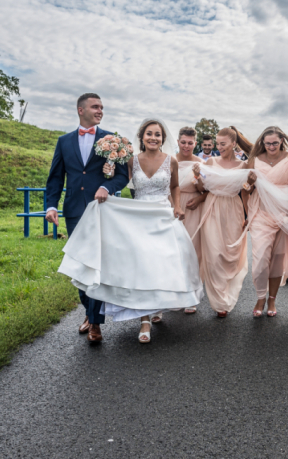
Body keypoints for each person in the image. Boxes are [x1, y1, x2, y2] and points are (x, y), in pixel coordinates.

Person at [58, 118, 203, 344]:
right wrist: (107, 175)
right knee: (142, 267)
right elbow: (120, 181)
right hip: (139, 218)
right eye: (149, 134)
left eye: (157, 134)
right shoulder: (132, 160)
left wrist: (177, 206)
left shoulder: (171, 160)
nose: (153, 138)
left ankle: (158, 305)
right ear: (142, 137)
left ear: (163, 138)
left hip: (163, 217)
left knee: (163, 264)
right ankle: (144, 320)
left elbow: (174, 186)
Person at [45, 93, 129, 343]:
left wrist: (107, 186)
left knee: (97, 264)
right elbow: (56, 177)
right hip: (73, 210)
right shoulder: (64, 141)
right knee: (80, 264)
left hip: (101, 209)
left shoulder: (112, 140)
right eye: (95, 107)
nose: (100, 110)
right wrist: (51, 206)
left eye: (102, 107)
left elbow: (122, 176)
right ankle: (88, 311)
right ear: (81, 110)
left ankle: (95, 322)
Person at [192, 126, 252, 317]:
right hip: (212, 207)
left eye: (223, 144)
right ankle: (219, 302)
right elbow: (202, 188)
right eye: (218, 144)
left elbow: (245, 192)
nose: (219, 147)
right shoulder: (210, 161)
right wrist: (197, 175)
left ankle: (226, 293)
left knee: (230, 254)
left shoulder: (244, 165)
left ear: (234, 144)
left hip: (233, 209)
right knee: (213, 254)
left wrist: (248, 215)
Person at [242, 126, 288, 317]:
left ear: (282, 140)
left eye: (275, 143)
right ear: (262, 143)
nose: (271, 146)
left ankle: (272, 300)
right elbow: (246, 189)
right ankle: (260, 297)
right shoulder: (254, 159)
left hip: (283, 215)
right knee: (259, 260)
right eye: (268, 143)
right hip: (261, 214)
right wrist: (249, 182)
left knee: (277, 261)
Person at [176, 126, 208, 314]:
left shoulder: (201, 163)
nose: (186, 146)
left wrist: (199, 198)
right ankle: (175, 292)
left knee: (193, 251)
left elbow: (207, 190)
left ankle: (192, 295)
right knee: (174, 251)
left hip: (193, 207)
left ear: (195, 143)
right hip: (172, 207)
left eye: (190, 143)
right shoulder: (169, 160)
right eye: (183, 142)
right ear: (178, 142)